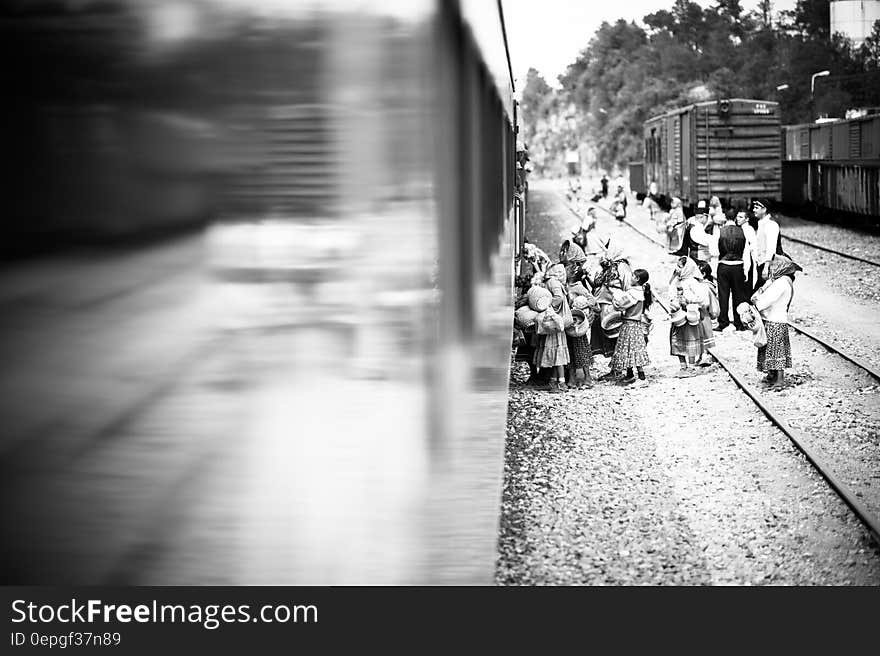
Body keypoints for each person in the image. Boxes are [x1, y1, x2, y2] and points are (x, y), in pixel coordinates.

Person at [751, 255, 802, 388]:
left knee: (775, 350)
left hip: (774, 320)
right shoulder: (782, 281)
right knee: (772, 349)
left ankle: (779, 379)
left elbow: (762, 302)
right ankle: (772, 375)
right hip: (776, 319)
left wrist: (758, 297)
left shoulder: (780, 283)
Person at [668, 256, 715, 377]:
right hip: (678, 315)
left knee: (690, 340)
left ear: (687, 268)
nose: (677, 268)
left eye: (680, 266)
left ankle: (692, 366)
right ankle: (683, 366)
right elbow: (671, 294)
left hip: (690, 316)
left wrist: (688, 300)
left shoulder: (693, 282)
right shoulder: (676, 281)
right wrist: (674, 301)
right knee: (677, 339)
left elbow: (703, 300)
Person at [609, 268, 652, 387]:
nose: (631, 278)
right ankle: (630, 374)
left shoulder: (633, 293)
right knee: (629, 349)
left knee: (632, 349)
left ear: (637, 279)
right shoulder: (639, 292)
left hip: (630, 324)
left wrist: (613, 296)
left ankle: (642, 377)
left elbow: (621, 305)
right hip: (634, 324)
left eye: (633, 276)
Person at [715, 208, 750, 332]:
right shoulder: (742, 231)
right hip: (738, 266)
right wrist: (745, 269)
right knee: (738, 295)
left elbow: (715, 251)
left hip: (723, 265)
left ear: (725, 217)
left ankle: (723, 322)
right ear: (735, 218)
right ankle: (738, 323)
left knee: (723, 295)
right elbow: (746, 252)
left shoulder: (720, 231)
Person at [752, 199, 780, 292]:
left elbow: (771, 248)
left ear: (764, 209)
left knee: (760, 292)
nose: (753, 210)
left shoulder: (771, 224)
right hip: (762, 263)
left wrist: (766, 267)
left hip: (769, 264)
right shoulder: (762, 223)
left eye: (756, 208)